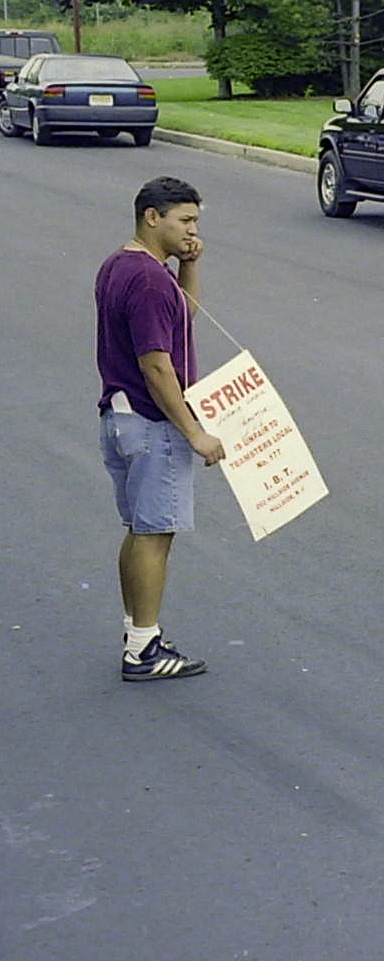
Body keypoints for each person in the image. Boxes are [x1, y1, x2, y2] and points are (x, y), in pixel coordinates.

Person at [97, 177, 225, 680]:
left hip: (121, 417)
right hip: (153, 423)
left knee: (140, 531)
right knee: (155, 534)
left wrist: (189, 266)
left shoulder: (122, 265)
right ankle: (143, 652)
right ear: (153, 217)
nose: (193, 230)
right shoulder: (149, 280)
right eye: (185, 220)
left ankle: (138, 632)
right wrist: (194, 432)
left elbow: (182, 316)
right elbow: (156, 364)